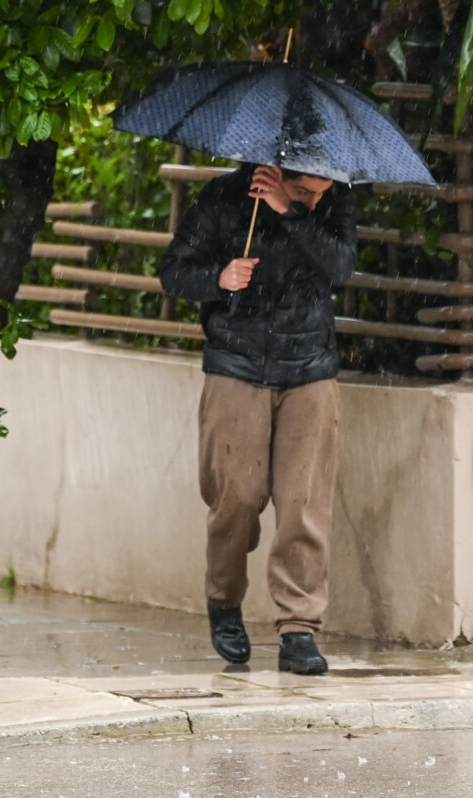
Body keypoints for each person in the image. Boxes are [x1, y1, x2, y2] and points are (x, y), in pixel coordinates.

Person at [160, 161, 357, 675]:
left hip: (311, 365)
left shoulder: (327, 199)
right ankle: (224, 600)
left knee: (304, 503)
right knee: (238, 498)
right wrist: (219, 279)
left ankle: (299, 628)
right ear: (276, 170)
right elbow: (174, 272)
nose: (317, 199)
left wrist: (290, 211)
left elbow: (340, 265)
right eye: (305, 190)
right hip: (236, 363)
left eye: (322, 192)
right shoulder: (225, 197)